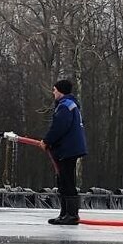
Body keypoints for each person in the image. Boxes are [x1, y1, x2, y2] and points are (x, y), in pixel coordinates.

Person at [39, 79, 87, 225]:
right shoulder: (71, 105)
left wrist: (46, 141)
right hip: (69, 148)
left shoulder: (65, 106)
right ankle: (65, 213)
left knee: (67, 181)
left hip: (68, 149)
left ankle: (71, 215)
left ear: (60, 91)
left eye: (54, 90)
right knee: (63, 180)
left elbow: (59, 127)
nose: (53, 93)